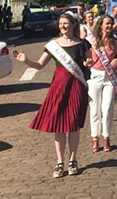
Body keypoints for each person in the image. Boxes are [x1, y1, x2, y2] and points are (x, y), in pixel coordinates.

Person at [12, 13, 93, 178]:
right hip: (58, 88)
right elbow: (39, 65)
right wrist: (25, 60)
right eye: (60, 23)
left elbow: (89, 61)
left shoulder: (83, 44)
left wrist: (89, 63)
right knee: (59, 125)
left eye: (65, 23)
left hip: (76, 87)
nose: (62, 26)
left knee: (73, 125)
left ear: (73, 24)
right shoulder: (53, 45)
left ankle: (73, 160)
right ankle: (59, 162)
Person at [88, 15, 117, 152]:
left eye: (111, 24)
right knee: (94, 109)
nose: (109, 26)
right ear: (101, 25)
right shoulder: (92, 41)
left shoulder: (115, 42)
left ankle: (106, 137)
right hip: (95, 76)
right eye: (106, 23)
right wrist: (87, 62)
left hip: (109, 78)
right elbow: (86, 57)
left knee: (107, 108)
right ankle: (95, 138)